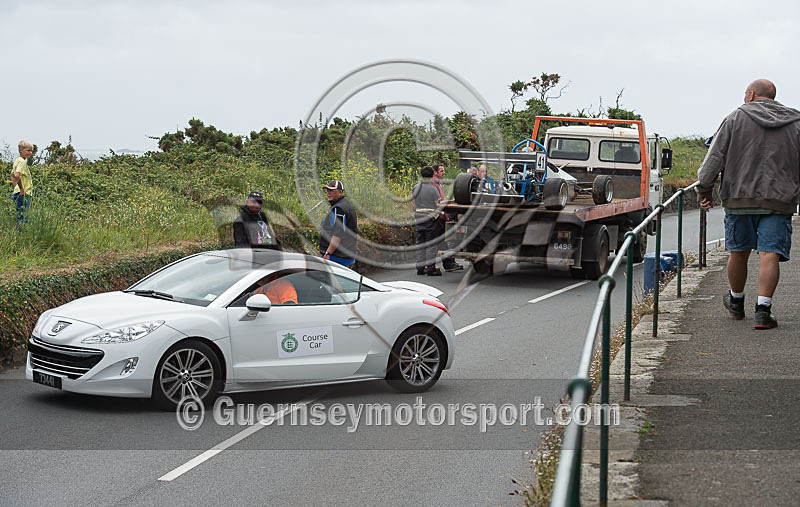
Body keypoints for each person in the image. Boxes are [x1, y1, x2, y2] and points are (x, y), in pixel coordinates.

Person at [697, 79, 800, 329]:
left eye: (745, 94)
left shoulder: (734, 118)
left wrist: (704, 189)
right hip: (780, 200)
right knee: (770, 254)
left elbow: (715, 158)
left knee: (739, 251)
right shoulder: (796, 122)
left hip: (739, 197)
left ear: (752, 95)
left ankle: (736, 302)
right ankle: (763, 310)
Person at [431, 164, 463, 272]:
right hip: (437, 217)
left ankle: (448, 263)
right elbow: (437, 202)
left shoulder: (437, 183)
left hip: (437, 216)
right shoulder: (434, 184)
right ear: (435, 172)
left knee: (442, 242)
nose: (444, 172)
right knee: (441, 242)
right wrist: (445, 215)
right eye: (441, 171)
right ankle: (447, 263)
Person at [413, 166, 444, 276]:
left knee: (420, 243)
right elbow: (438, 205)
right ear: (432, 176)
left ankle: (420, 267)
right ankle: (431, 268)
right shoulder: (433, 189)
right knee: (431, 244)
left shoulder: (416, 187)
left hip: (418, 218)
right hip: (430, 219)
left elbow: (414, 203)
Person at [319, 180, 358, 267]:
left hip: (338, 258)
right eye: (327, 190)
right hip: (346, 256)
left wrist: (328, 253)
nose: (328, 193)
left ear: (340, 192)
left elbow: (338, 235)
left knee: (328, 280)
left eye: (332, 190)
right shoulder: (345, 204)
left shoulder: (339, 208)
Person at [10, 140, 34, 227]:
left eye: (31, 151)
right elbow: (16, 175)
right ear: (21, 150)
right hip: (24, 193)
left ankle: (18, 234)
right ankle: (20, 234)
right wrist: (21, 189)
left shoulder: (18, 160)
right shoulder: (22, 162)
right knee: (23, 217)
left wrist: (15, 186)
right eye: (28, 150)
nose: (30, 153)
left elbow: (12, 175)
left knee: (20, 215)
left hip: (18, 192)